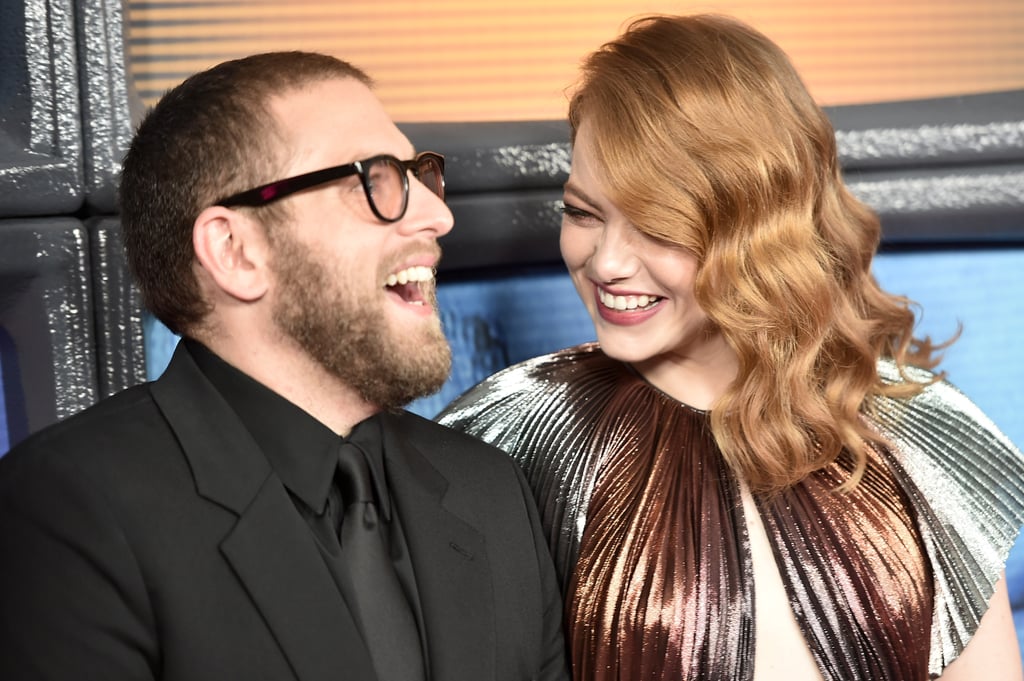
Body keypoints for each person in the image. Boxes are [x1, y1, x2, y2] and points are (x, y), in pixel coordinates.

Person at [437, 14, 1024, 681]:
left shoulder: (918, 434)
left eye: (657, 225)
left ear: (757, 229)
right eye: (583, 213)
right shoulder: (516, 438)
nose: (604, 262)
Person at [0, 51, 568, 681]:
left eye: (419, 173)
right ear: (236, 251)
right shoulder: (70, 512)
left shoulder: (490, 490)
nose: (439, 216)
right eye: (374, 180)